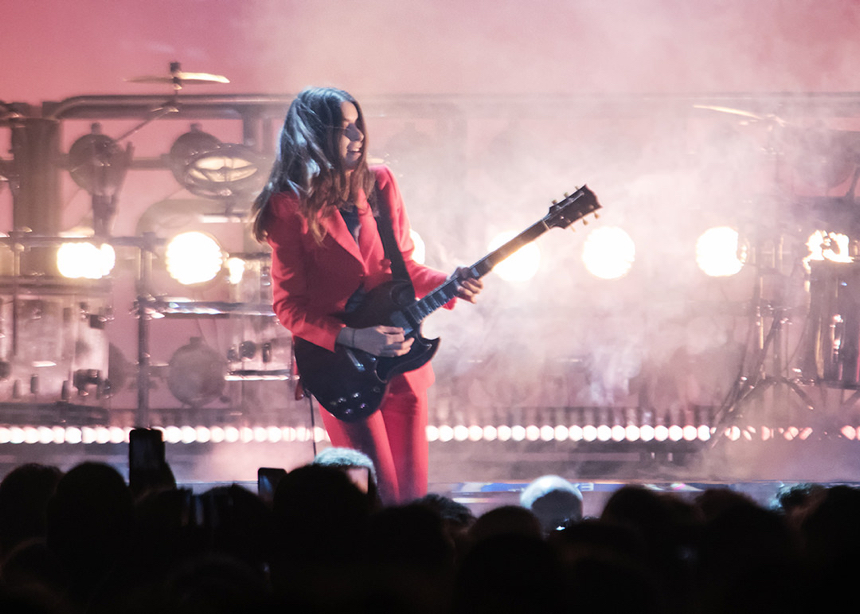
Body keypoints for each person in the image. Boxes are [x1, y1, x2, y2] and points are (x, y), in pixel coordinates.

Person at [250, 87, 482, 504]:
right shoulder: (287, 207)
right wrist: (356, 338)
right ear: (313, 136)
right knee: (375, 496)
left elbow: (404, 267)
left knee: (411, 499)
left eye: (359, 124)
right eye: (344, 128)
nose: (358, 136)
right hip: (341, 367)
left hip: (401, 361)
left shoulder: (379, 183)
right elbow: (288, 307)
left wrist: (451, 282)